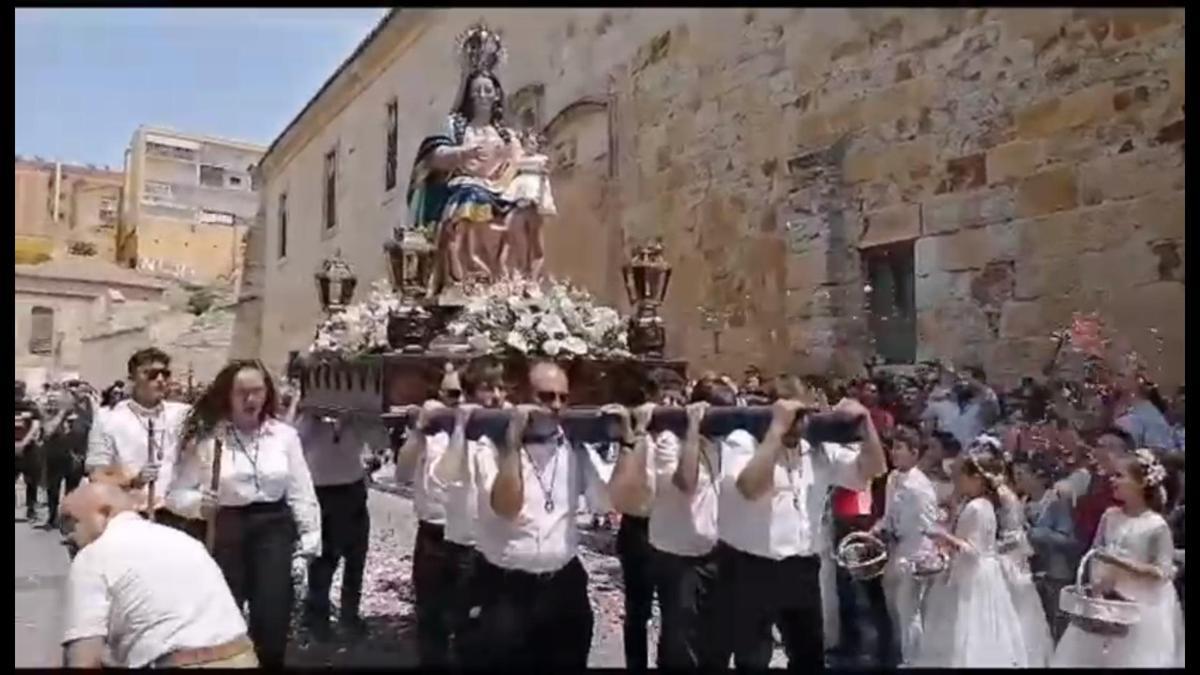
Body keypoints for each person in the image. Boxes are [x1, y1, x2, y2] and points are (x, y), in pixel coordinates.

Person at [714, 381, 887, 668]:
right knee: (752, 659)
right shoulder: (743, 441)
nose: (799, 424)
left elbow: (873, 470)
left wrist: (865, 425)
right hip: (751, 566)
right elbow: (750, 487)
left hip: (802, 566)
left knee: (809, 658)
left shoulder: (816, 447)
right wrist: (776, 431)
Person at [165, 360, 322, 668]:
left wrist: (309, 538)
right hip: (227, 528)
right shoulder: (209, 439)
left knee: (273, 616)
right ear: (228, 395)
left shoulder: (284, 436)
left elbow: (300, 489)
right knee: (226, 616)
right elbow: (174, 494)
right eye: (242, 393)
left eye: (257, 391)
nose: (251, 400)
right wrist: (198, 503)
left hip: (274, 528)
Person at [471, 361, 611, 667]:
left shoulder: (573, 446)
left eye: (563, 397)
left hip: (564, 585)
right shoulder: (489, 447)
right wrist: (512, 444)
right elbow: (506, 507)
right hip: (507, 589)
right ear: (520, 396)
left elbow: (611, 502)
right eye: (546, 397)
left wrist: (629, 441)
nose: (556, 407)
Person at [59, 481, 257, 668]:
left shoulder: (93, 555)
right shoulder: (183, 539)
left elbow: (84, 658)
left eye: (71, 522)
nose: (68, 536)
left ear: (103, 512)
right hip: (241, 655)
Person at [1051, 449, 1185, 667]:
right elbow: (1096, 551)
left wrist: (1120, 563)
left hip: (1139, 605)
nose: (1113, 480)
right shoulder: (1110, 516)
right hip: (1107, 601)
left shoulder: (1155, 525)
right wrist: (1096, 585)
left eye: (1120, 476)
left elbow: (1163, 572)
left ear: (1141, 483)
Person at [643, 376, 731, 667]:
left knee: (713, 638)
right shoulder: (670, 441)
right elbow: (686, 482)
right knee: (679, 641)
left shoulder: (720, 445)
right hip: (677, 557)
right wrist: (693, 428)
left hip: (712, 555)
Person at [914, 452, 1028, 667]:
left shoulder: (977, 507)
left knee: (969, 625)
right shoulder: (982, 504)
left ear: (976, 479)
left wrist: (943, 536)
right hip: (981, 570)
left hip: (973, 573)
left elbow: (973, 550)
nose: (959, 482)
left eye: (963, 477)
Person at [429, 356, 508, 666]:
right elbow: (442, 478)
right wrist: (461, 430)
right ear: (472, 392)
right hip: (467, 549)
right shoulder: (450, 431)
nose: (497, 396)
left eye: (502, 388)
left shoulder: (511, 430)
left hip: (504, 549)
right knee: (468, 635)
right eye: (489, 388)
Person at [394, 366, 461, 665]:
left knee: (472, 626)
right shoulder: (429, 432)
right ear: (440, 396)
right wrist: (419, 430)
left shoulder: (486, 429)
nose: (458, 401)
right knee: (430, 621)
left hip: (475, 542)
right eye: (452, 394)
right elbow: (402, 475)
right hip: (433, 537)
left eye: (464, 393)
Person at [298, 406, 380, 640]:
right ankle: (317, 619)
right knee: (323, 561)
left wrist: (355, 417)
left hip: (352, 490)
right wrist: (309, 413)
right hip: (322, 492)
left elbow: (378, 440)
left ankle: (350, 617)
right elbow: (296, 443)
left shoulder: (356, 418)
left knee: (356, 559)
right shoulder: (309, 420)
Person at [85, 348, 190, 522]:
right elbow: (96, 474)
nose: (160, 380)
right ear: (132, 378)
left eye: (165, 374)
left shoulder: (181, 414)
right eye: (151, 374)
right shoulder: (108, 418)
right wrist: (133, 481)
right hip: (129, 515)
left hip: (174, 515)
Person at [873, 424, 939, 666]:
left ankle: (914, 661)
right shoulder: (893, 478)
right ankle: (899, 655)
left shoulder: (920, 487)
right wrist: (879, 529)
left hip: (914, 553)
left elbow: (928, 526)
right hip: (895, 552)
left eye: (900, 448)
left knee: (909, 612)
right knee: (895, 610)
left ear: (914, 452)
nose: (894, 452)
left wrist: (922, 559)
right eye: (893, 447)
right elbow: (890, 515)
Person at [1012, 454, 1078, 640]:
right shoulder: (1021, 502)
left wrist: (1036, 534)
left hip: (1055, 573)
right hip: (1029, 571)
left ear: (1038, 476)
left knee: (1055, 624)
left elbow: (1068, 539)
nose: (1018, 479)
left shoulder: (1056, 502)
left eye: (1022, 474)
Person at [42, 388, 92, 529]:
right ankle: (52, 517)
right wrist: (61, 414)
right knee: (53, 489)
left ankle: (67, 519)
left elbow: (89, 433)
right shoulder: (50, 415)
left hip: (75, 457)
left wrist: (85, 455)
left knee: (72, 491)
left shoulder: (82, 414)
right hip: (55, 457)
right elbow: (48, 432)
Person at [921, 365, 1000, 450]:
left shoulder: (988, 400)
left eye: (966, 378)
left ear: (979, 380)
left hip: (977, 445)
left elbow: (987, 393)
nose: (963, 382)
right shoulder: (962, 397)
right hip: (954, 443)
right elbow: (941, 398)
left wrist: (970, 380)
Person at [15, 380, 44, 521]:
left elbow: (35, 425)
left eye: (20, 389)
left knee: (31, 481)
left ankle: (31, 509)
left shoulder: (31, 406)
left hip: (28, 448)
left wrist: (23, 443)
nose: (17, 392)